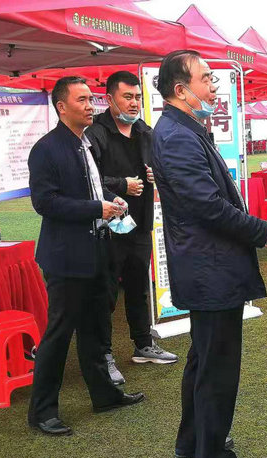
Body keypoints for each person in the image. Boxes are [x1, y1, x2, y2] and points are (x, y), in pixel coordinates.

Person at [151, 50, 267, 458]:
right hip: (209, 267)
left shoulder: (184, 129)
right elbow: (207, 206)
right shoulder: (177, 135)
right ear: (181, 89)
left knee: (204, 357)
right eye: (206, 78)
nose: (214, 86)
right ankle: (212, 456)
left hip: (209, 264)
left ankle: (192, 440)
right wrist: (261, 230)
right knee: (217, 365)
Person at [27, 77, 144, 436]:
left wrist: (111, 199)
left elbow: (92, 188)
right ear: (61, 107)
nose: (90, 105)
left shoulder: (85, 143)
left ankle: (105, 395)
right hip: (66, 258)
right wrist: (97, 207)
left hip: (97, 250)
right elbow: (45, 202)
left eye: (91, 98)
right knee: (59, 333)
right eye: (82, 100)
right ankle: (42, 411)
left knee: (96, 329)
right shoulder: (47, 149)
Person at [86, 71, 177, 386]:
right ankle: (104, 356)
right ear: (109, 99)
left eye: (138, 97)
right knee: (106, 293)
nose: (134, 103)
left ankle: (143, 344)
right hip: (108, 226)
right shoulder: (96, 133)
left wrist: (156, 175)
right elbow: (88, 179)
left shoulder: (145, 131)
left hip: (139, 224)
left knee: (139, 287)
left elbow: (161, 168)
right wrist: (121, 185)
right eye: (127, 97)